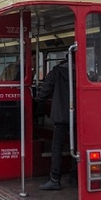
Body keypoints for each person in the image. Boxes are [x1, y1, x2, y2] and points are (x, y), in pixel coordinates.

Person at [34, 56, 77, 190]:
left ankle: (55, 179)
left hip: (60, 116)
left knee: (57, 147)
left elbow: (44, 92)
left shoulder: (56, 72)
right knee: (76, 147)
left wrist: (37, 99)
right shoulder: (81, 72)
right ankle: (75, 177)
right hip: (77, 115)